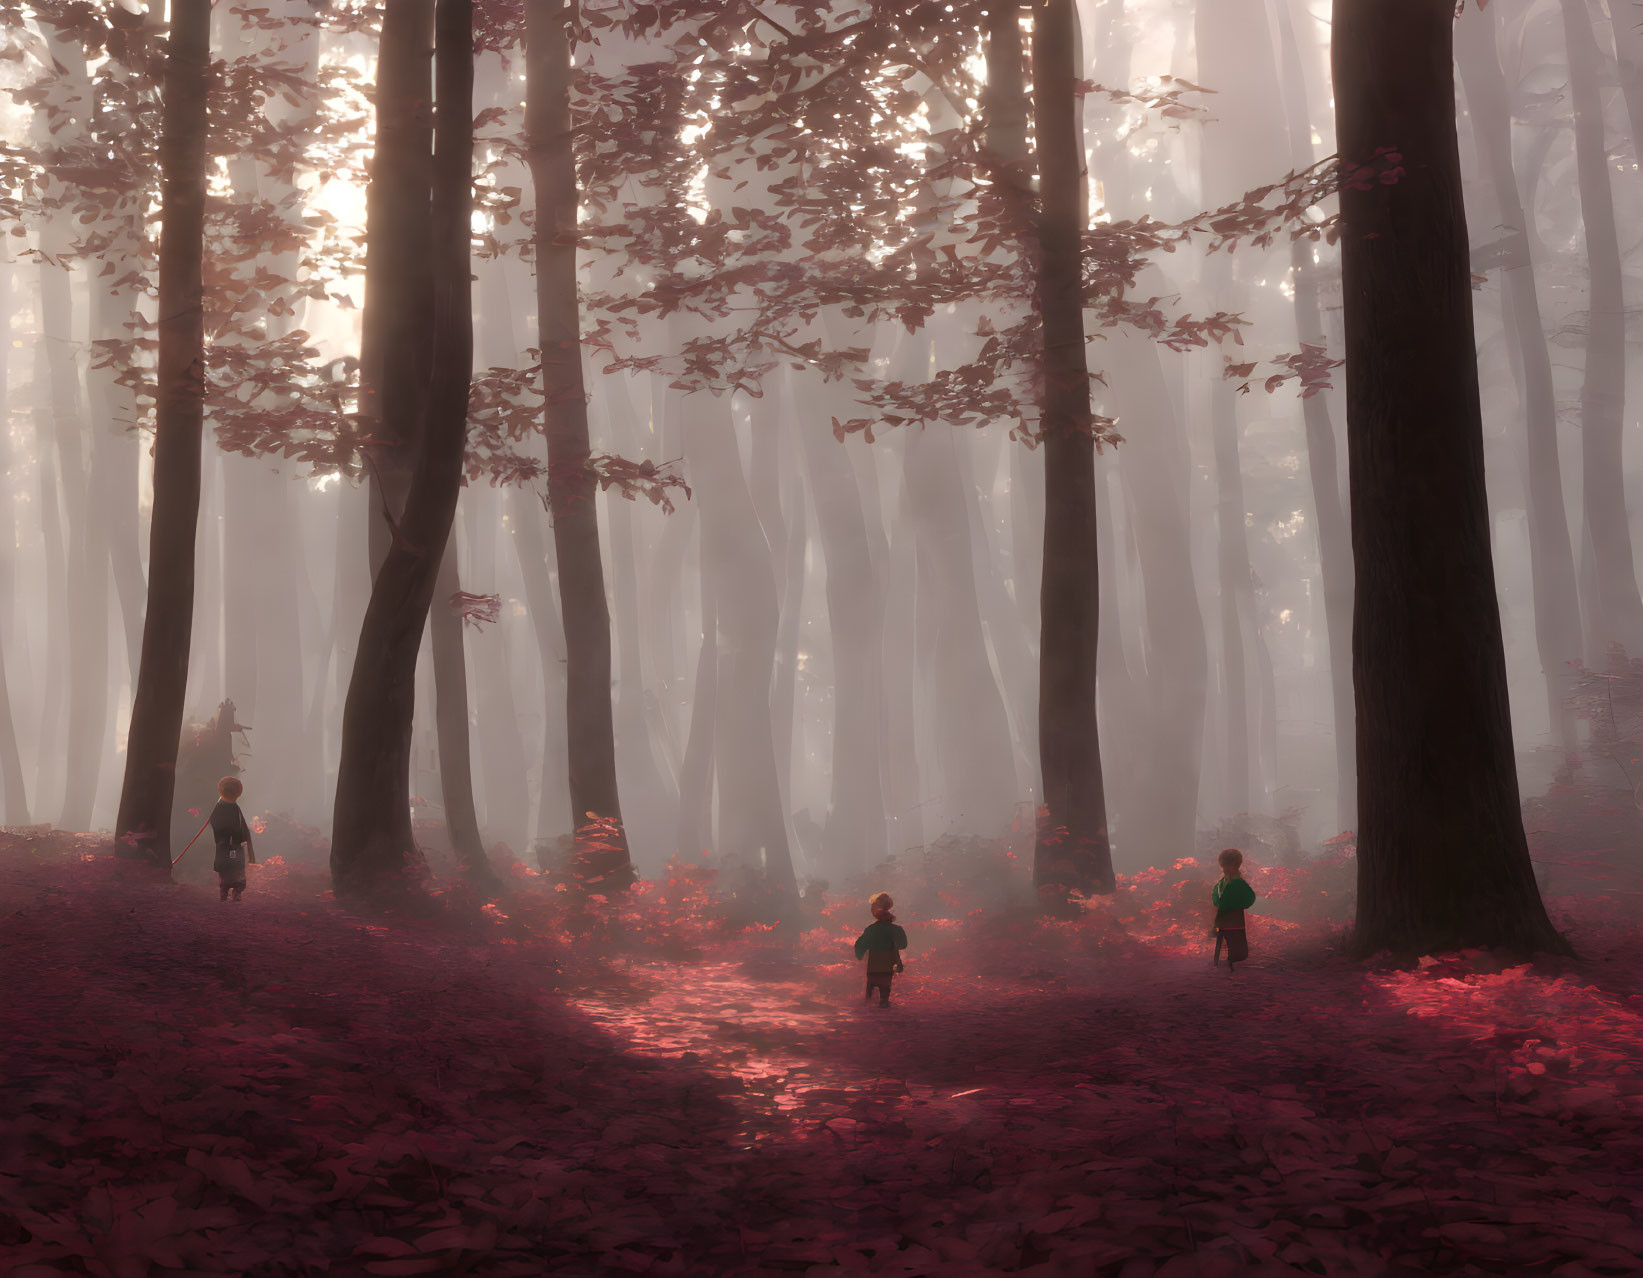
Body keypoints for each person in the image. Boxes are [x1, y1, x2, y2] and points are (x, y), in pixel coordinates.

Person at [854, 892, 908, 1007]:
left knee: (869, 995)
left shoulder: (871, 929)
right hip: (887, 968)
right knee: (884, 995)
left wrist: (859, 955)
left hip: (873, 966)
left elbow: (859, 945)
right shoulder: (896, 930)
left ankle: (868, 1020)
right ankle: (885, 1016)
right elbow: (903, 945)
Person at [210, 776, 256, 902]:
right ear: (238, 793)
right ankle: (234, 893)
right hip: (232, 845)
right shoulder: (231, 808)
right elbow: (239, 827)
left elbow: (214, 822)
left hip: (226, 846)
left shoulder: (220, 807)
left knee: (227, 872)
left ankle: (228, 893)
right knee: (234, 871)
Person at [1210, 847, 1257, 972]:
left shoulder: (1237, 883)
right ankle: (1226, 964)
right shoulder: (1222, 883)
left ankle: (1229, 963)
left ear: (1236, 866)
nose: (1225, 869)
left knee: (1238, 949)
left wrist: (1234, 903)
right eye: (1224, 866)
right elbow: (1216, 899)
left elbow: (1249, 898)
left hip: (1234, 920)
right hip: (1226, 920)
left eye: (1228, 866)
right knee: (1233, 947)